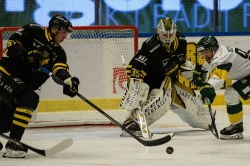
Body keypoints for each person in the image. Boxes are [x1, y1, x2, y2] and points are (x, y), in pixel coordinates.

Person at [0, 15, 80, 158]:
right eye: (64, 33)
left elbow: (60, 70)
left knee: (5, 124)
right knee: (30, 98)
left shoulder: (59, 53)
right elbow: (11, 47)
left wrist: (69, 82)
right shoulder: (33, 30)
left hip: (19, 87)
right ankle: (13, 144)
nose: (65, 37)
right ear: (55, 29)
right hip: (4, 74)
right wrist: (26, 53)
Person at [119, 17, 211, 137]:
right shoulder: (150, 46)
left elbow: (181, 62)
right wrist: (136, 86)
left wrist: (195, 76)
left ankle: (208, 117)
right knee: (162, 97)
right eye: (164, 34)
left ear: (175, 32)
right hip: (153, 85)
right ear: (158, 32)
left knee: (205, 120)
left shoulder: (181, 41)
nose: (167, 37)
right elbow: (136, 66)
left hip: (171, 83)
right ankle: (133, 122)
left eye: (170, 34)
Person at [194, 35, 249, 140]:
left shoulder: (222, 57)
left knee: (231, 94)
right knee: (231, 93)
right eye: (202, 53)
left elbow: (218, 79)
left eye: (206, 52)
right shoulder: (218, 52)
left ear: (214, 49)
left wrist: (208, 88)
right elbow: (209, 65)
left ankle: (237, 127)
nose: (204, 56)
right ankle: (237, 126)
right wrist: (202, 70)